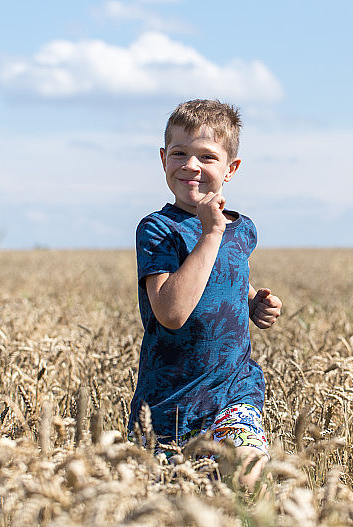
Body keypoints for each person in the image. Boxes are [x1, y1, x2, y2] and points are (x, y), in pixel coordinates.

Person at [127, 99, 282, 488]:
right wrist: (211, 232)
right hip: (169, 405)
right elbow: (172, 312)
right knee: (170, 501)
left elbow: (226, 276)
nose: (191, 166)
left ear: (231, 169)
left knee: (246, 476)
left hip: (234, 390)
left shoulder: (242, 229)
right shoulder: (158, 229)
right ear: (163, 159)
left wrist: (251, 302)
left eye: (207, 157)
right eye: (179, 153)